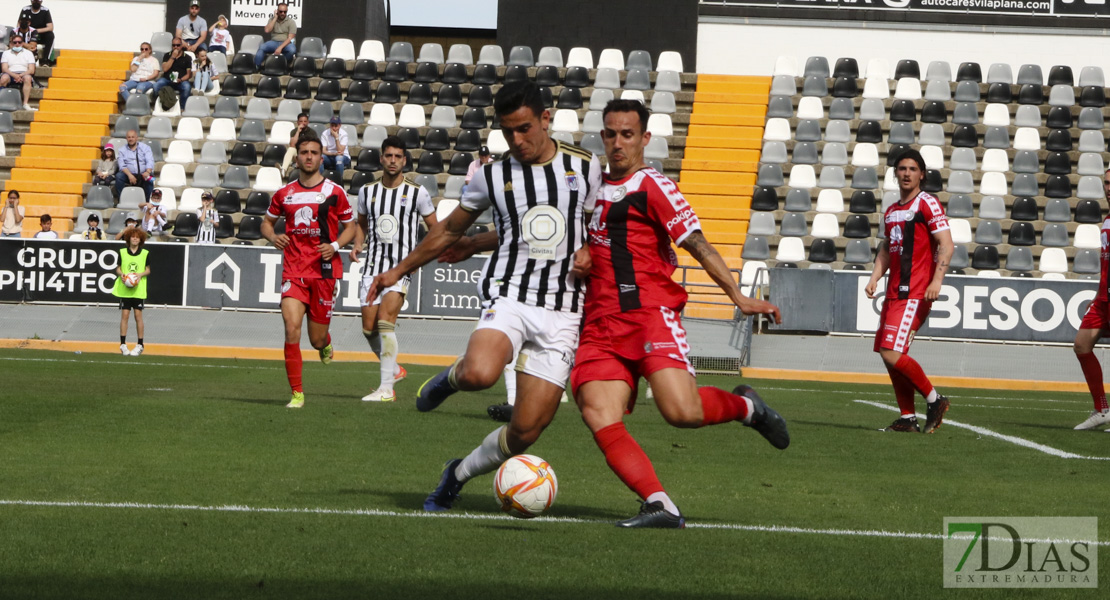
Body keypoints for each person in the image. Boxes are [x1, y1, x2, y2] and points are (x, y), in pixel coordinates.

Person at [366, 81, 601, 512]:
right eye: (508, 131)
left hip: (565, 309)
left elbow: (588, 228)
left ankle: (456, 475)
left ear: (546, 119)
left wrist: (589, 248)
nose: (517, 140)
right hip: (510, 292)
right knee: (480, 374)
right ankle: (451, 378)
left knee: (524, 432)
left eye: (525, 129)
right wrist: (399, 270)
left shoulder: (585, 167)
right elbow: (450, 229)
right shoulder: (493, 175)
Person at [562, 100, 788, 528]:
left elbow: (696, 243)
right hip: (599, 322)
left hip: (648, 313)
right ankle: (660, 504)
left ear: (645, 139)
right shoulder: (587, 188)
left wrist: (737, 296)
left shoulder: (654, 187)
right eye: (609, 134)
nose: (617, 143)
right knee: (597, 410)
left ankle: (747, 409)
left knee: (681, 412)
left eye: (627, 134)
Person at [261, 129, 357, 408]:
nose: (309, 157)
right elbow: (266, 224)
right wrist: (272, 236)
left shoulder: (334, 192)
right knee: (292, 329)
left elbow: (351, 227)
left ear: (321, 157)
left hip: (325, 270)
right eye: (304, 152)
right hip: (294, 269)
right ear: (298, 157)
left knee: (315, 340)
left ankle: (325, 342)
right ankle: (297, 393)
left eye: (314, 152)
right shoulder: (284, 193)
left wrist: (336, 245)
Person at [865, 148, 953, 434]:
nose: (906, 173)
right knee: (889, 354)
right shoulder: (891, 211)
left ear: (922, 174)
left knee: (891, 352)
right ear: (895, 173)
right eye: (902, 169)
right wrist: (875, 277)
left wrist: (936, 281)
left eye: (912, 169)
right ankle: (907, 418)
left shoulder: (927, 203)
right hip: (893, 293)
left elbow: (946, 244)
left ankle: (934, 399)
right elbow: (886, 250)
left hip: (915, 293)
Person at [351, 136, 436, 402]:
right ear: (381, 158)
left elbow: (436, 228)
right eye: (388, 156)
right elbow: (361, 224)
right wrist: (357, 244)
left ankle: (386, 389)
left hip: (401, 269)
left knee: (386, 322)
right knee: (369, 329)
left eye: (398, 156)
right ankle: (395, 370)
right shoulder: (367, 191)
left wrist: (421, 257)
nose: (393, 161)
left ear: (405, 160)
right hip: (373, 266)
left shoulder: (417, 192)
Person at [1072, 168, 1110, 431]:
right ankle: (1102, 408)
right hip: (1104, 300)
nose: (1109, 187)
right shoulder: (1107, 221)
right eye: (1107, 183)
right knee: (1081, 345)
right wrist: (1099, 294)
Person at [113, 226, 150, 356]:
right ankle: (123, 344)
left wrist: (139, 275)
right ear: (129, 239)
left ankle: (140, 344)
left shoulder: (145, 253)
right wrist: (122, 275)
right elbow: (118, 268)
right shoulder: (122, 252)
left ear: (140, 240)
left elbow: (148, 270)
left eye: (137, 237)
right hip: (125, 289)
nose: (135, 239)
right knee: (125, 316)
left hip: (138, 290)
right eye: (133, 237)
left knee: (138, 316)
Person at [151, 37, 193, 111]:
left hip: (180, 80)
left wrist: (181, 79)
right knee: (156, 86)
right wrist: (173, 57)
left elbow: (188, 74)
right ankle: (159, 104)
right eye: (174, 45)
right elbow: (165, 69)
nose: (176, 47)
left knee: (187, 87)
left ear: (181, 46)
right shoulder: (167, 55)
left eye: (178, 45)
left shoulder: (187, 57)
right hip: (167, 80)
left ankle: (182, 108)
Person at [114, 129, 155, 200]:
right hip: (128, 174)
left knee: (150, 178)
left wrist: (147, 172)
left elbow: (150, 161)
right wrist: (130, 175)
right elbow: (121, 165)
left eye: (133, 137)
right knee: (119, 176)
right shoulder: (122, 150)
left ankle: (148, 201)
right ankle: (121, 199)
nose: (131, 139)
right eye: (129, 137)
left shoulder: (145, 147)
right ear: (126, 138)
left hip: (143, 174)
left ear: (137, 138)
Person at [1, 33, 37, 111]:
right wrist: (14, 75)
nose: (17, 44)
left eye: (19, 42)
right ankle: (1, 100)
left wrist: (20, 75)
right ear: (11, 43)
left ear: (22, 43)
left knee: (28, 78)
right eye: (15, 42)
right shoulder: (6, 53)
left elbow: (31, 70)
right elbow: (4, 68)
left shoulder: (29, 53)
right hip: (10, 73)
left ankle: (25, 104)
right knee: (3, 78)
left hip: (24, 73)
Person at [254, 2, 296, 68]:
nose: (283, 13)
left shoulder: (291, 22)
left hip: (286, 43)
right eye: (281, 11)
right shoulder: (272, 19)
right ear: (277, 11)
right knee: (262, 47)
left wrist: (280, 47)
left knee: (292, 50)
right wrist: (275, 18)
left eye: (285, 12)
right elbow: (267, 30)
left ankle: (280, 65)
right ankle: (256, 66)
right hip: (274, 42)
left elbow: (290, 38)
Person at [17, 1, 53, 66]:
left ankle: (45, 60)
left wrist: (35, 31)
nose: (36, 1)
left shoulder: (45, 10)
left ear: (41, 1)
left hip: (40, 34)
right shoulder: (25, 9)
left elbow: (50, 27)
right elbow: (19, 24)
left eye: (38, 0)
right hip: (28, 33)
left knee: (50, 35)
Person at [320, 117, 350, 184]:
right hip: (330, 156)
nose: (334, 128)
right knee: (320, 158)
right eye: (332, 125)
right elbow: (322, 150)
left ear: (339, 125)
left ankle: (339, 183)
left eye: (336, 126)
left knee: (339, 158)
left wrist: (336, 137)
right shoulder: (325, 133)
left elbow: (340, 151)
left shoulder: (344, 134)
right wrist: (334, 154)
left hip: (343, 156)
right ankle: (320, 182)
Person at [281, 112, 310, 177]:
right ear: (297, 122)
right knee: (291, 149)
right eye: (301, 121)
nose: (303, 123)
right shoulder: (293, 131)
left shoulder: (311, 132)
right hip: (297, 153)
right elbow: (292, 144)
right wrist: (298, 132)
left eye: (305, 121)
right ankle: (283, 169)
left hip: (306, 154)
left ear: (308, 122)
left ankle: (295, 164)